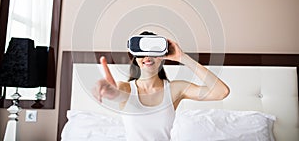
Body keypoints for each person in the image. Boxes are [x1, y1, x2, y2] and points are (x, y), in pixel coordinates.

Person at [93, 31, 230, 140]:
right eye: (142, 53)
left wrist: (182, 58)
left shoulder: (175, 89)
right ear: (135, 58)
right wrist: (107, 90)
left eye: (153, 52)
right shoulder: (125, 89)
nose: (147, 57)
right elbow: (116, 93)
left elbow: (221, 92)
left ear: (162, 56)